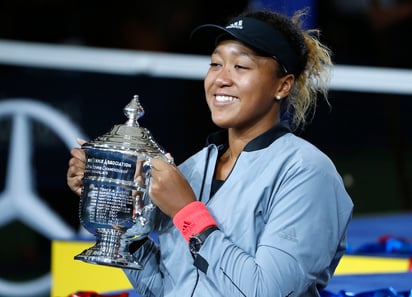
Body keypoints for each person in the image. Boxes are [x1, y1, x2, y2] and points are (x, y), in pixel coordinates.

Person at [67, 8, 353, 297]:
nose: (221, 78)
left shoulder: (307, 172)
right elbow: (166, 289)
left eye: (240, 67)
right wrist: (114, 210)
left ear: (282, 85)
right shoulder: (192, 169)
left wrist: (186, 212)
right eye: (215, 64)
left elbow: (266, 291)